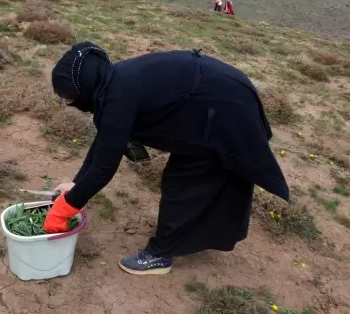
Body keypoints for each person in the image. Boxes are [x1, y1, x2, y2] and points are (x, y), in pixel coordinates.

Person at [43, 42, 289, 275]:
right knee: (194, 176)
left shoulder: (119, 98)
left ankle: (159, 255)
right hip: (218, 97)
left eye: (69, 98)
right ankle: (189, 236)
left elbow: (104, 168)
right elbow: (104, 144)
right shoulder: (114, 81)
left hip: (225, 110)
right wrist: (76, 187)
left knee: (184, 182)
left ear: (84, 87)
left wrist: (66, 207)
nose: (71, 104)